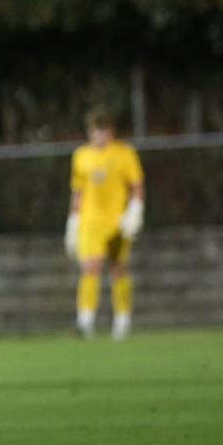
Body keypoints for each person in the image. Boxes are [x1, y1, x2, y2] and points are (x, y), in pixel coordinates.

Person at [65, 108, 146, 339]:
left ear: (111, 131)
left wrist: (136, 211)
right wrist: (72, 221)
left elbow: (137, 185)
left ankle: (122, 321)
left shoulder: (124, 153)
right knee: (90, 267)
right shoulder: (81, 155)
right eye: (94, 131)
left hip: (118, 221)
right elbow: (78, 192)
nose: (98, 136)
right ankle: (85, 321)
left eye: (102, 131)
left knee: (118, 269)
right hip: (91, 221)